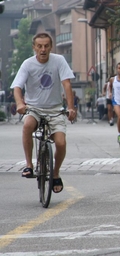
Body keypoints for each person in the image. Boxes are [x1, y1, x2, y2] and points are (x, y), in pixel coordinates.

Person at [10, 32, 76, 194]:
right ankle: (29, 165)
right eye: (39, 46)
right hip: (34, 108)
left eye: (46, 46)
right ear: (34, 47)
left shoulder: (59, 61)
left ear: (51, 47)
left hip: (55, 109)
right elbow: (17, 87)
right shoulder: (27, 64)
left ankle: (55, 173)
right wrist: (20, 103)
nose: (43, 49)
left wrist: (71, 107)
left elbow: (66, 84)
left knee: (60, 143)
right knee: (27, 125)